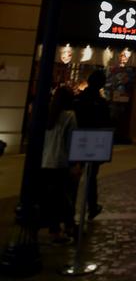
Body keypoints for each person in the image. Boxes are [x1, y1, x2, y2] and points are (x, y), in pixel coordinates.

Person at [41, 85, 79, 243]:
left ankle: (55, 229)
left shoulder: (48, 115)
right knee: (64, 197)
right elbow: (71, 141)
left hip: (45, 161)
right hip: (61, 161)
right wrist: (74, 163)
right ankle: (67, 227)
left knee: (52, 198)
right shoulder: (69, 116)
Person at [75, 69, 111, 219]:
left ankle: (70, 211)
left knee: (75, 176)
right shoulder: (101, 103)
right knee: (91, 176)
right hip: (95, 144)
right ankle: (91, 206)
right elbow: (106, 123)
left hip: (78, 142)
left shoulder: (78, 99)